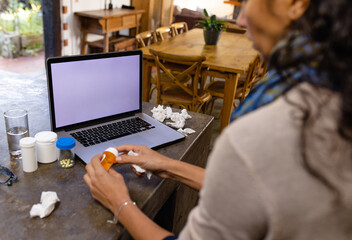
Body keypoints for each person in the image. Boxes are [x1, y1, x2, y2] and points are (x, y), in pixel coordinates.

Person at [84, 0, 352, 239]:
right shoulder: (336, 92)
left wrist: (119, 202)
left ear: (296, 4)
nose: (240, 20)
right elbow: (256, 186)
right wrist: (166, 165)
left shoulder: (263, 131)